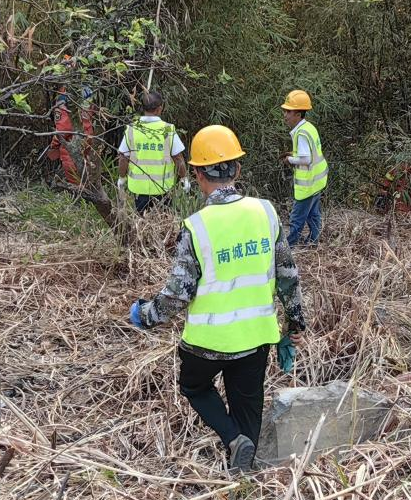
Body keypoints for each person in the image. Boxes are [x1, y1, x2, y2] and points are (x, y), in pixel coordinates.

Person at [129, 125, 306, 472]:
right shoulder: (266, 212)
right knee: (248, 408)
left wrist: (145, 315)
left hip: (206, 344)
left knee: (194, 387)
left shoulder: (196, 226)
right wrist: (295, 321)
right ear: (237, 169)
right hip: (256, 339)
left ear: (197, 174)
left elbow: (178, 295)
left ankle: (232, 440)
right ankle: (244, 479)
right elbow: (288, 274)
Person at [117, 91, 187, 215]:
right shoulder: (168, 129)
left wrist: (122, 178)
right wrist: (184, 179)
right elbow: (178, 158)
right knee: (164, 223)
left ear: (143, 108)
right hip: (163, 188)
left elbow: (123, 158)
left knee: (141, 221)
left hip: (139, 188)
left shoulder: (132, 129)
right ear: (160, 108)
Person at [280, 89, 327, 247]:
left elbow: (306, 159)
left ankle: (288, 247)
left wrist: (289, 159)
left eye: (288, 112)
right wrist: (294, 153)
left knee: (297, 218)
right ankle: (314, 241)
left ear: (298, 113)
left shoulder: (301, 133)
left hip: (307, 185)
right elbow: (310, 153)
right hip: (316, 181)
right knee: (313, 214)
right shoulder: (309, 127)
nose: (285, 115)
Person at [47, 55, 96, 186]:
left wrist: (54, 145)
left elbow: (64, 128)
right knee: (88, 171)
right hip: (88, 139)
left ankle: (78, 199)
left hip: (72, 141)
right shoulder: (88, 90)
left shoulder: (64, 95)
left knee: (75, 178)